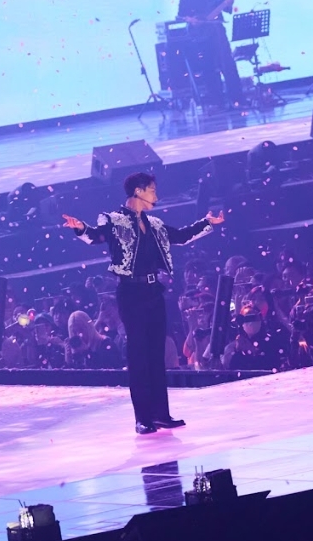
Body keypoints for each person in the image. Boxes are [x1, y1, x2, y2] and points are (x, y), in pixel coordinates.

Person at [63, 171, 224, 434]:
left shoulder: (155, 224)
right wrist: (80, 228)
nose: (156, 195)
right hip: (131, 293)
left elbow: (181, 236)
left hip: (153, 292)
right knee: (138, 355)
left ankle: (161, 414)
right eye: (152, 190)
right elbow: (96, 236)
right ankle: (143, 418)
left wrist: (207, 223)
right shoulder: (114, 220)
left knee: (155, 355)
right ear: (138, 191)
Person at [177, 0, 242, 105]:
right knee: (208, 66)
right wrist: (192, 20)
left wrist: (230, 3)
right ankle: (217, 101)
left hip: (218, 30)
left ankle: (237, 98)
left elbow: (225, 8)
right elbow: (181, 15)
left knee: (228, 64)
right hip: (201, 34)